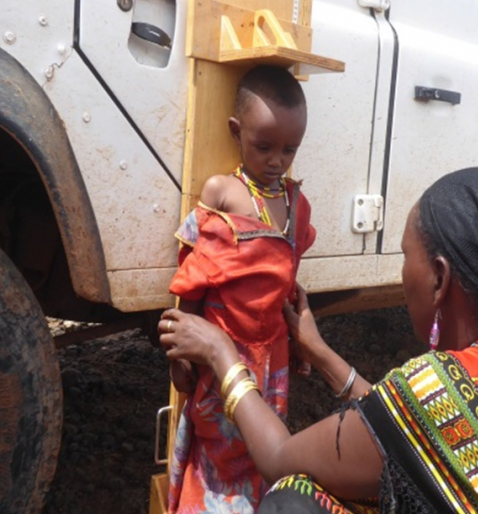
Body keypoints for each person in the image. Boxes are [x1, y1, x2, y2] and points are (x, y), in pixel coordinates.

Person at [159, 167, 478, 514]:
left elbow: (280, 459)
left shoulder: (441, 384)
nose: (401, 270)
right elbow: (424, 429)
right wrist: (322, 354)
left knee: (295, 502)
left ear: (439, 278)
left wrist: (223, 356)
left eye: (407, 255)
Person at [165, 65, 316, 513]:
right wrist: (178, 354)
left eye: (290, 149)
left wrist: (302, 342)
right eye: (264, 146)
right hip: (222, 351)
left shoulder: (294, 203)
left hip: (274, 361)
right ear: (236, 131)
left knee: (264, 442)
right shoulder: (223, 194)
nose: (277, 160)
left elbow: (286, 281)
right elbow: (195, 277)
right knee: (217, 446)